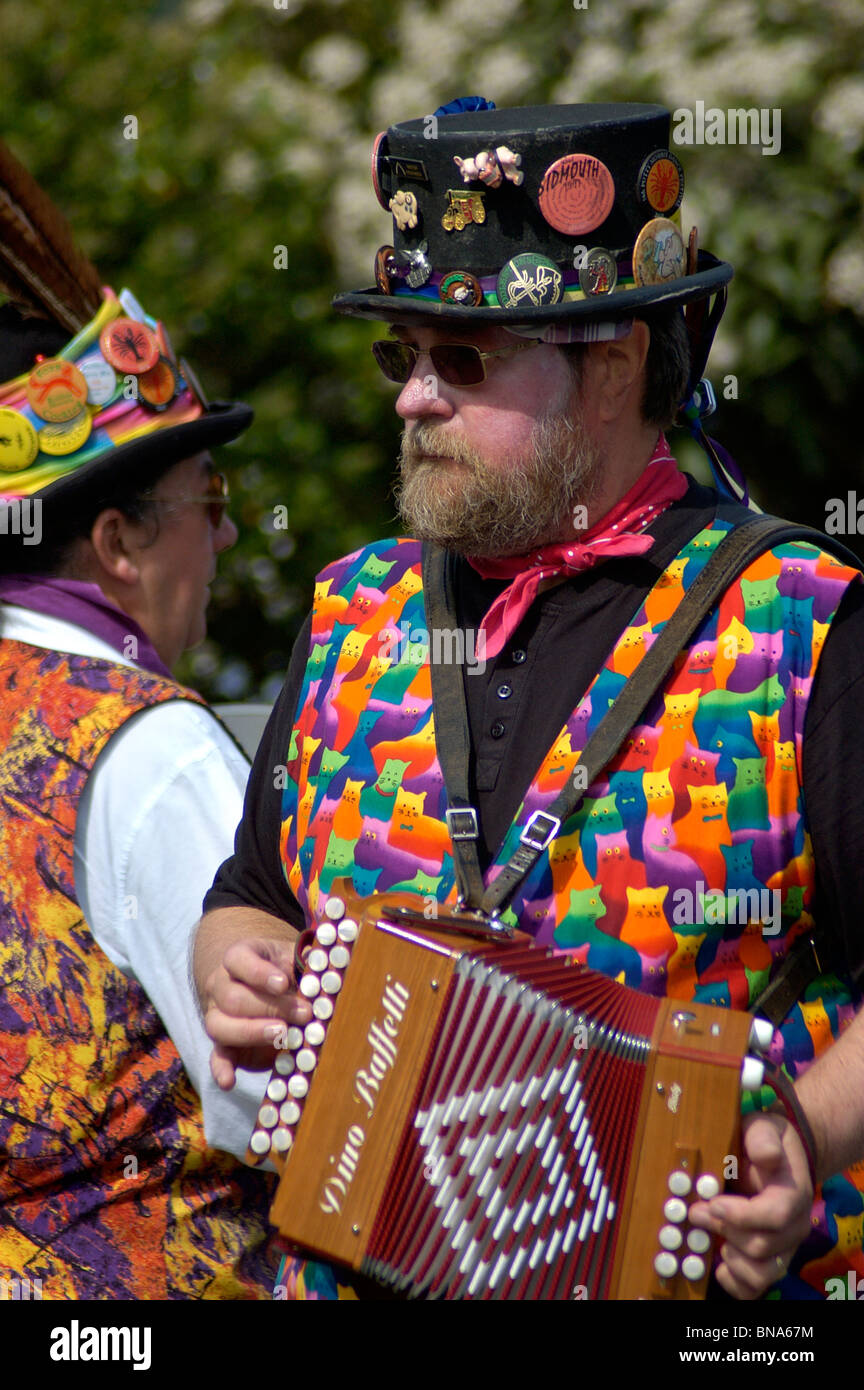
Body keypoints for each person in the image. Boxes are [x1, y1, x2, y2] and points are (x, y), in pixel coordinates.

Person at [195, 100, 864, 1301]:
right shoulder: (352, 606)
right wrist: (237, 962)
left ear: (610, 369)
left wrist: (803, 1136)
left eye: (463, 361)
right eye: (403, 356)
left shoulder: (804, 623)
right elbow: (251, 895)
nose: (412, 400)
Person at [0, 140, 277, 1299]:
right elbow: (270, 1094)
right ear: (115, 543)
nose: (223, 539)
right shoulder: (146, 742)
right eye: (205, 506)